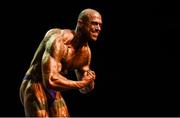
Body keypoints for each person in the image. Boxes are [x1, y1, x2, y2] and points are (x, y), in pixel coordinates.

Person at [19, 8, 102, 117]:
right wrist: (81, 83)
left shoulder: (85, 54)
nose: (98, 28)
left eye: (100, 25)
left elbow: (84, 89)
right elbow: (50, 80)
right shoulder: (58, 39)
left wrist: (89, 82)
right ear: (80, 23)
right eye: (94, 24)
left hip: (54, 91)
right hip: (35, 83)